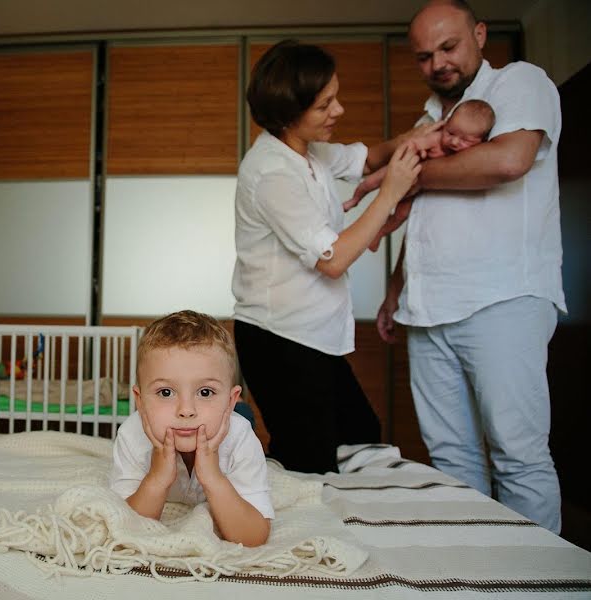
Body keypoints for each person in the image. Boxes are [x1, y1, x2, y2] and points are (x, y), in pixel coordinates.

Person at [376, 0, 565, 533]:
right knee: (452, 461)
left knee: (518, 454)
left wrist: (408, 177)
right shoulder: (429, 121)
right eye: (424, 56)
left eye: (449, 46)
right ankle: (478, 574)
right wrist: (395, 290)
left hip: (503, 300)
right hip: (428, 310)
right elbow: (422, 223)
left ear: (479, 34)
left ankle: (540, 584)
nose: (437, 63)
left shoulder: (519, 83)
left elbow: (508, 161)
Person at [232, 41, 426, 475]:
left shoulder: (309, 150)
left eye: (335, 96)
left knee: (358, 432)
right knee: (311, 460)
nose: (338, 110)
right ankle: (280, 533)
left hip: (311, 334)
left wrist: (420, 136)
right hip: (278, 336)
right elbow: (333, 259)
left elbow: (369, 156)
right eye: (324, 105)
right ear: (288, 113)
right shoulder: (271, 172)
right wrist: (391, 190)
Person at [109, 310, 272, 547]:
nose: (186, 410)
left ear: (229, 400)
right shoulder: (131, 435)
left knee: (243, 417)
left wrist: (214, 478)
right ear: (140, 401)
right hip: (209, 420)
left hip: (232, 419)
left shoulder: (240, 438)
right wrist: (156, 479)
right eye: (166, 392)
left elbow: (253, 536)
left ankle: (240, 408)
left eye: (205, 392)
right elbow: (124, 529)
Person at [345, 99, 496, 251]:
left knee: (400, 216)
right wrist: (419, 149)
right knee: (369, 182)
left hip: (415, 188)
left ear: (481, 142)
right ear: (445, 123)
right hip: (404, 168)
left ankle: (379, 234)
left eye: (466, 140)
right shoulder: (436, 139)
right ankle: (355, 199)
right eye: (450, 133)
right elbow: (412, 143)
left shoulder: (472, 156)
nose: (455, 141)